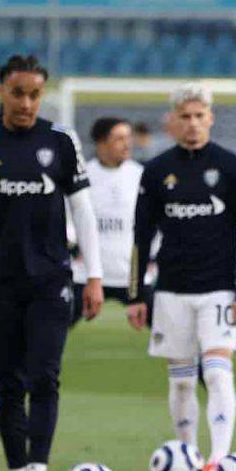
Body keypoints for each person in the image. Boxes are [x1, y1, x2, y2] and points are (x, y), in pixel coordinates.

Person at [0, 54, 103, 471]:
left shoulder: (61, 141)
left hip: (52, 280)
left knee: (45, 377)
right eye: (18, 93)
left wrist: (93, 276)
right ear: (2, 91)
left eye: (35, 94)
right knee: (9, 382)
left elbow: (84, 213)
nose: (26, 103)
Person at [126, 82, 236, 471]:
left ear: (210, 119)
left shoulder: (235, 169)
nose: (193, 124)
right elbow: (140, 237)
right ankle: (187, 461)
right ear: (172, 121)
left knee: (218, 373)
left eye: (200, 116)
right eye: (185, 116)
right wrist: (136, 295)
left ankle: (218, 460)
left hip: (219, 289)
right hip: (170, 290)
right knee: (182, 382)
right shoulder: (155, 172)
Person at [70, 117, 147, 325]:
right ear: (101, 142)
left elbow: (154, 222)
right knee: (50, 329)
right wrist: (72, 249)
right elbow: (66, 219)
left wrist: (152, 257)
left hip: (131, 275)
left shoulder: (141, 175)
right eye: (120, 138)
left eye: (129, 137)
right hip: (86, 275)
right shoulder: (81, 175)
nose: (127, 143)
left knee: (172, 331)